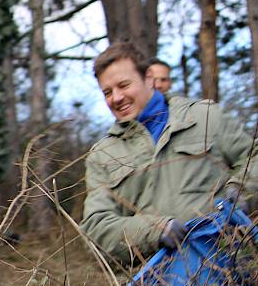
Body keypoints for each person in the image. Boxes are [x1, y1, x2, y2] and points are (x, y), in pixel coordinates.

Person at [81, 42, 257, 267]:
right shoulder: (103, 155)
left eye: (123, 85)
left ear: (148, 78)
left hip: (230, 273)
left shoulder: (204, 117)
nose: (116, 98)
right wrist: (155, 231)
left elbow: (253, 157)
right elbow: (96, 228)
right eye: (107, 92)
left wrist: (242, 190)